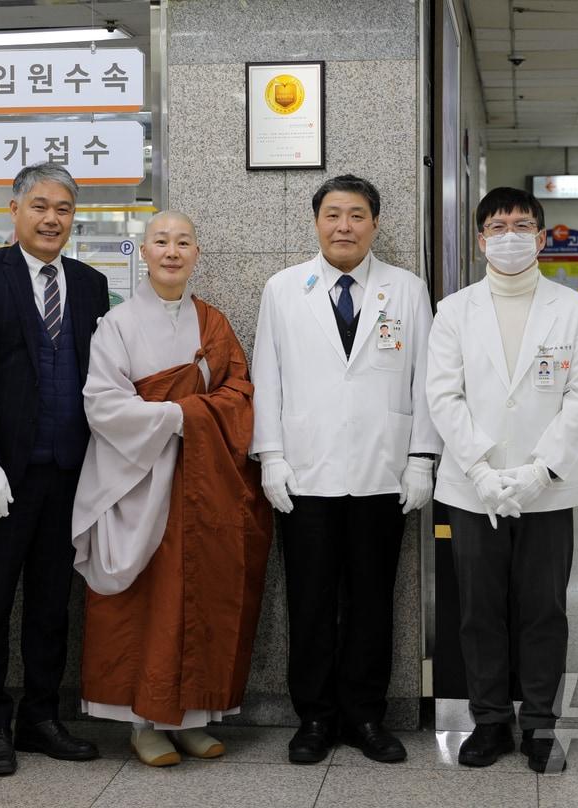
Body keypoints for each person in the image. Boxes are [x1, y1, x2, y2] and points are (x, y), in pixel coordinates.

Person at [251, 174, 440, 765]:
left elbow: (426, 379)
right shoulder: (284, 289)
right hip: (305, 474)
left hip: (384, 473)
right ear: (316, 222)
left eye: (356, 216)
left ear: (375, 224)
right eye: (333, 215)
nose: (344, 227)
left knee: (371, 601)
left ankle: (364, 715)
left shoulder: (406, 289)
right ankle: (314, 717)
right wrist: (272, 458)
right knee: (308, 601)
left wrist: (420, 460)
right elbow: (267, 377)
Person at [71, 212, 272, 767]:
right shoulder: (116, 324)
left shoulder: (214, 323)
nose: (172, 251)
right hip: (138, 480)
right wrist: (182, 416)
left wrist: (186, 414)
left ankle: (192, 720)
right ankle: (143, 723)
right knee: (147, 600)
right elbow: (104, 404)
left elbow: (240, 391)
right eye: (161, 241)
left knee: (201, 593)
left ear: (197, 254)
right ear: (144, 251)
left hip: (207, 481)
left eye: (183, 242)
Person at [426, 186, 578, 774]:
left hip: (547, 488)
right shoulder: (454, 310)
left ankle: (540, 726)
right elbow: (442, 395)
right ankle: (490, 721)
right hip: (471, 487)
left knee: (543, 608)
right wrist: (479, 467)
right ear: (480, 240)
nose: (510, 236)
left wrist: (538, 471)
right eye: (498, 226)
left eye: (522, 225)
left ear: (542, 236)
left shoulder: (573, 309)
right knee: (478, 608)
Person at [0, 162, 110, 777]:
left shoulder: (92, 284)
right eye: (39, 205)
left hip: (69, 471)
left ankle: (41, 717)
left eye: (63, 209)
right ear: (14, 211)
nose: (51, 218)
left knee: (50, 602)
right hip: (4, 476)